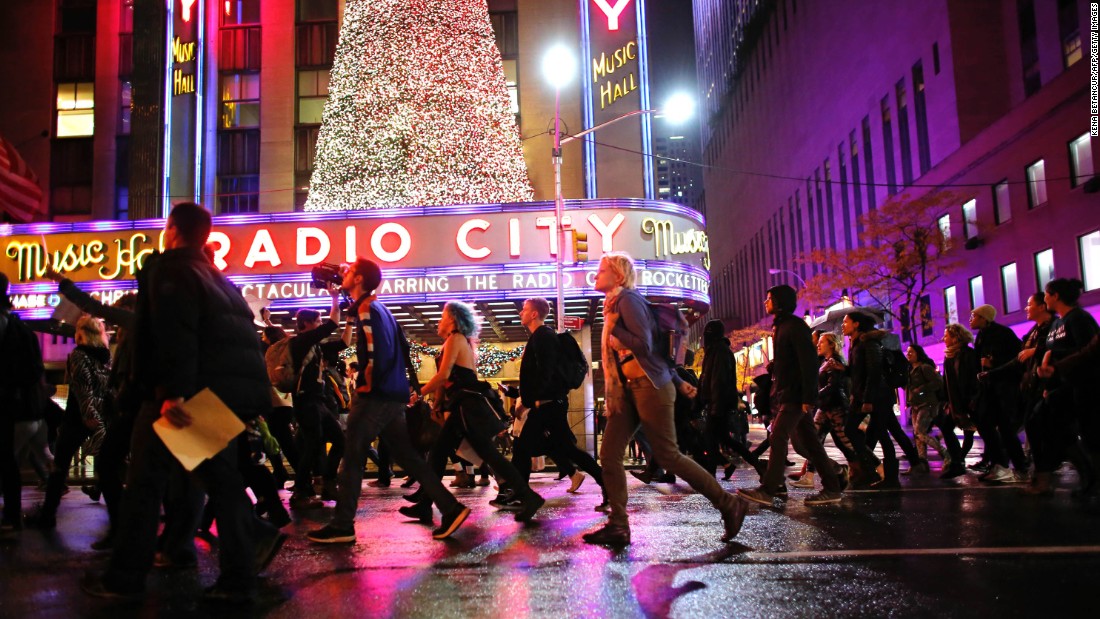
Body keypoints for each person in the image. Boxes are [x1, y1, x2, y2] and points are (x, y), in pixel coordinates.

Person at [82, 202, 284, 604]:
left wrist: (171, 393)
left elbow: (176, 333)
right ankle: (242, 565)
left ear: (171, 229)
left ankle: (125, 577)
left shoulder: (172, 269)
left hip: (182, 397)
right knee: (219, 481)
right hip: (222, 394)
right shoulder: (216, 276)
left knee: (144, 483)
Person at [585, 252, 745, 547]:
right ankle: (619, 525)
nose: (595, 274)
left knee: (668, 454)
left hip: (648, 387)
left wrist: (614, 329)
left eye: (601, 269)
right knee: (608, 454)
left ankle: (729, 503)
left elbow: (644, 345)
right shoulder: (614, 305)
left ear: (618, 276)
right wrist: (678, 381)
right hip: (628, 390)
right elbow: (653, 353)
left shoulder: (628, 301)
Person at [308, 259, 471, 543]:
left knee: (353, 457)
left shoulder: (367, 309)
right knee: (409, 458)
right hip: (392, 393)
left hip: (376, 395)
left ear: (359, 278)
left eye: (349, 272)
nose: (343, 274)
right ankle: (451, 507)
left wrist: (365, 387)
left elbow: (372, 352)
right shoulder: (379, 308)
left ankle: (343, 524)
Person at [414, 301, 546, 522]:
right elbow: (447, 379)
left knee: (488, 455)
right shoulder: (453, 340)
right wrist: (438, 402)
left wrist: (417, 393)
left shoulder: (456, 339)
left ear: (453, 319)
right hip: (462, 405)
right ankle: (425, 504)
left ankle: (529, 496)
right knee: (442, 453)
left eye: (443, 315)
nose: (439, 319)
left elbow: (444, 375)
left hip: (467, 406)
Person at [739, 286, 845, 505]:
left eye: (769, 299)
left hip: (795, 396)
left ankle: (769, 489)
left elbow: (807, 363)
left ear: (780, 301)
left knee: (777, 437)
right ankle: (833, 486)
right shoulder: (783, 326)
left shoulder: (795, 327)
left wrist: (808, 397)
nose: (765, 302)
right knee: (810, 443)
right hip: (788, 394)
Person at [506, 297, 606, 508]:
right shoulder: (540, 336)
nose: (520, 313)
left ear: (534, 314)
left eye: (524, 310)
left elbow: (546, 372)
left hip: (548, 405)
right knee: (558, 449)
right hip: (546, 404)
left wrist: (527, 401)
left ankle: (522, 495)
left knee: (528, 448)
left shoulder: (543, 336)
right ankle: (520, 494)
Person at [27, 316, 112, 529]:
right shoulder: (104, 357)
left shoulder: (78, 355)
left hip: (78, 419)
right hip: (99, 416)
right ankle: (117, 517)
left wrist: (88, 416)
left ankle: (48, 515)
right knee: (108, 468)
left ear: (81, 333)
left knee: (59, 468)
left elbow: (83, 390)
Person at [1036, 278, 1100, 497]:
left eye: (1046, 294)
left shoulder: (1079, 318)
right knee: (1052, 427)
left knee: (1090, 434)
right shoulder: (1056, 323)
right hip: (1061, 388)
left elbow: (1087, 352)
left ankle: (1092, 483)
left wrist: (1054, 359)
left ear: (1055, 296)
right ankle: (1087, 476)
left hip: (1083, 386)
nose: (1044, 298)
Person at [287, 298, 352, 510]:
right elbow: (332, 324)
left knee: (339, 441)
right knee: (312, 445)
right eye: (317, 321)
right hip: (305, 402)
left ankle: (328, 483)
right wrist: (334, 298)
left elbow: (344, 344)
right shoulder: (300, 343)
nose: (320, 324)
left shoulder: (317, 347)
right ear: (305, 323)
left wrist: (350, 322)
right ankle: (300, 492)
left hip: (319, 402)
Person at [990, 292, 1054, 493]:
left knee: (1046, 432)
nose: (1026, 308)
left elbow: (1059, 349)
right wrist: (991, 373)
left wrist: (1036, 351)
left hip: (1046, 388)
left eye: (1029, 304)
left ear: (1042, 306)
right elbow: (1018, 359)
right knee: (1033, 430)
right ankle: (1037, 474)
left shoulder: (1054, 327)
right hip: (1030, 389)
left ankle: (1040, 475)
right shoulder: (1034, 332)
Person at [0, 272, 46, 536]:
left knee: (6, 461)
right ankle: (12, 516)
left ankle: (11, 516)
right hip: (19, 407)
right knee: (8, 462)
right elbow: (34, 370)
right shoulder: (21, 329)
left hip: (6, 405)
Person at [697, 320, 763, 480]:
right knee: (723, 439)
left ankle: (710, 475)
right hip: (717, 403)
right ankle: (757, 465)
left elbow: (718, 381)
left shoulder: (719, 351)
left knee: (710, 439)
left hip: (718, 404)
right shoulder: (715, 351)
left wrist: (715, 406)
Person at [969, 304, 1025, 482]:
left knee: (1006, 429)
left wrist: (994, 364)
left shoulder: (1002, 333)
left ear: (984, 318)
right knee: (985, 423)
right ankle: (1000, 463)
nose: (971, 319)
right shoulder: (982, 336)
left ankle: (1017, 466)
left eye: (975, 315)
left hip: (1003, 389)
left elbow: (1016, 359)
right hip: (989, 388)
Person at [939, 323, 980, 479]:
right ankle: (957, 462)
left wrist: (971, 399)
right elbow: (947, 381)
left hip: (968, 401)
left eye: (947, 336)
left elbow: (972, 379)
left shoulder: (968, 354)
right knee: (946, 426)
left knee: (986, 430)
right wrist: (946, 401)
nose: (944, 339)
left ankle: (1001, 461)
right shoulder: (949, 356)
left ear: (956, 337)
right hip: (956, 402)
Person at [905, 344, 950, 473]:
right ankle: (922, 463)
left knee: (920, 432)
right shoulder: (910, 369)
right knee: (918, 435)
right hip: (915, 406)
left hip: (927, 404)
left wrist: (921, 390)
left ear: (918, 353)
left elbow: (938, 382)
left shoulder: (924, 368)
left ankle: (946, 453)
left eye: (911, 352)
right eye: (907, 352)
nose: (908, 354)